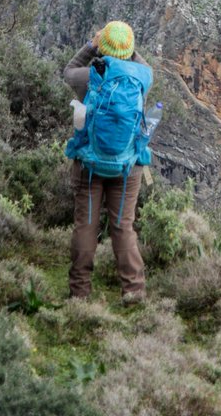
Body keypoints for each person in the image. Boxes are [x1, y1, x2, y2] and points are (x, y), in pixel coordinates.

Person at [63, 20, 151, 304]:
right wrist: (128, 49)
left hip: (90, 164)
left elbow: (67, 70)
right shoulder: (142, 77)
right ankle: (133, 291)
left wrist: (92, 45)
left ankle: (80, 292)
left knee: (86, 225)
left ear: (104, 46)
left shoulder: (90, 76)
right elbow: (142, 64)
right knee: (123, 227)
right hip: (128, 167)